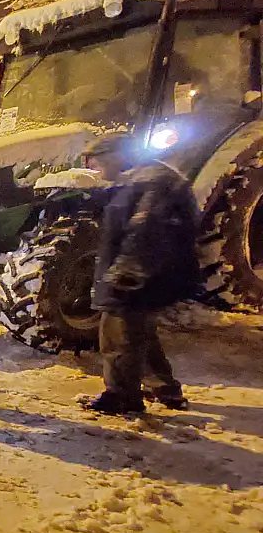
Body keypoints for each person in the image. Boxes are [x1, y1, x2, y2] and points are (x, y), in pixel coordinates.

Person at [78, 133, 199, 415]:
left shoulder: (150, 181)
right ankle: (163, 387)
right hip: (150, 276)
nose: (95, 170)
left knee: (117, 337)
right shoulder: (142, 178)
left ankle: (122, 397)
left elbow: (148, 231)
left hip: (138, 277)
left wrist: (126, 271)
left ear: (116, 156)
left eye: (97, 162)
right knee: (140, 332)